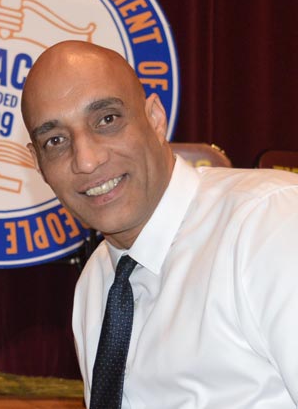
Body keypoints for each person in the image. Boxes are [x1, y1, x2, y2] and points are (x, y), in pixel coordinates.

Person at [20, 40, 298, 407]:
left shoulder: (270, 224)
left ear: (155, 118)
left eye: (107, 120)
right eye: (56, 140)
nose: (86, 160)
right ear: (38, 165)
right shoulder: (94, 284)